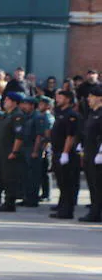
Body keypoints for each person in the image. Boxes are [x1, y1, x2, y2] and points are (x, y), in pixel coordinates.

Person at [49, 89, 81, 219]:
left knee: (68, 183)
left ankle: (67, 211)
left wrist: (65, 153)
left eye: (60, 98)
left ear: (67, 99)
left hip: (66, 153)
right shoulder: (60, 113)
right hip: (57, 151)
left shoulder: (71, 115)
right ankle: (62, 208)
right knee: (61, 183)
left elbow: (70, 136)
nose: (58, 100)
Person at [0, 91, 28, 212]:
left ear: (14, 102)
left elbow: (19, 135)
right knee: (5, 176)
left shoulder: (17, 115)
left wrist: (14, 151)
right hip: (3, 150)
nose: (5, 102)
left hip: (10, 151)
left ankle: (10, 202)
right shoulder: (6, 115)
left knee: (11, 177)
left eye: (7, 100)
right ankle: (7, 200)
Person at [78, 84, 102, 222]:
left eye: (91, 96)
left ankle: (96, 212)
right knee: (92, 184)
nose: (88, 99)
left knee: (98, 185)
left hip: (98, 154)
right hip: (89, 153)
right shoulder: (92, 113)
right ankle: (95, 210)